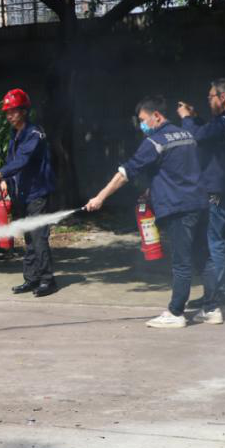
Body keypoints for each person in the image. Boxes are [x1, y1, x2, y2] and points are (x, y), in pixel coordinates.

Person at [85, 96, 205, 328]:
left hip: (178, 207)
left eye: (143, 120)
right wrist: (153, 189)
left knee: (181, 262)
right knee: (203, 256)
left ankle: (176, 313)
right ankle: (212, 308)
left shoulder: (155, 141)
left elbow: (125, 173)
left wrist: (100, 197)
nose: (141, 125)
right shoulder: (186, 135)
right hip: (199, 202)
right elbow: (177, 170)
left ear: (156, 116)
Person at [178, 79, 225, 324]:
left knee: (214, 240)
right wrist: (197, 118)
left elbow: (197, 137)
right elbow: (209, 134)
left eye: (210, 97)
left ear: (222, 98)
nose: (208, 100)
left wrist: (187, 118)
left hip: (217, 191)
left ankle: (214, 295)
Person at [0, 88, 58, 297]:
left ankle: (48, 281)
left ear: (24, 111)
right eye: (7, 112)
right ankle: (32, 279)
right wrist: (6, 181)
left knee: (38, 237)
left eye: (13, 111)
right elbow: (13, 161)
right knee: (29, 237)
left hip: (38, 193)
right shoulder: (15, 134)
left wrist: (0, 173)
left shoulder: (34, 134)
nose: (9, 115)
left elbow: (23, 160)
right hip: (24, 194)